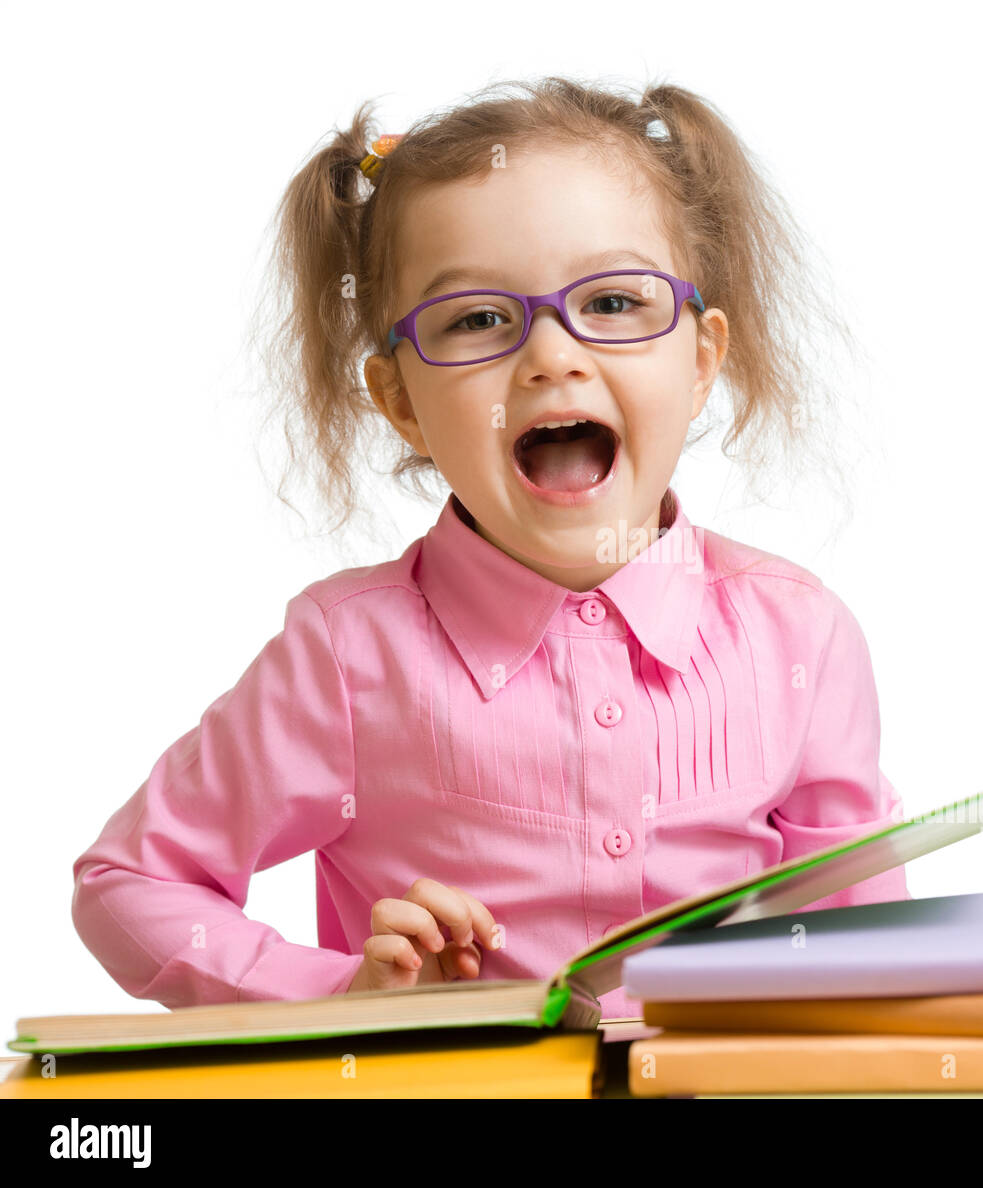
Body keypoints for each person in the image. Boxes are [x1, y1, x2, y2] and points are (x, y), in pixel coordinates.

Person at [71, 76, 910, 1022]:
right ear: (400, 402)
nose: (553, 355)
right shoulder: (348, 657)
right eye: (476, 319)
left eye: (615, 300)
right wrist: (342, 995)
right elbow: (129, 882)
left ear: (701, 358)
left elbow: (867, 958)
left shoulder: (801, 636)